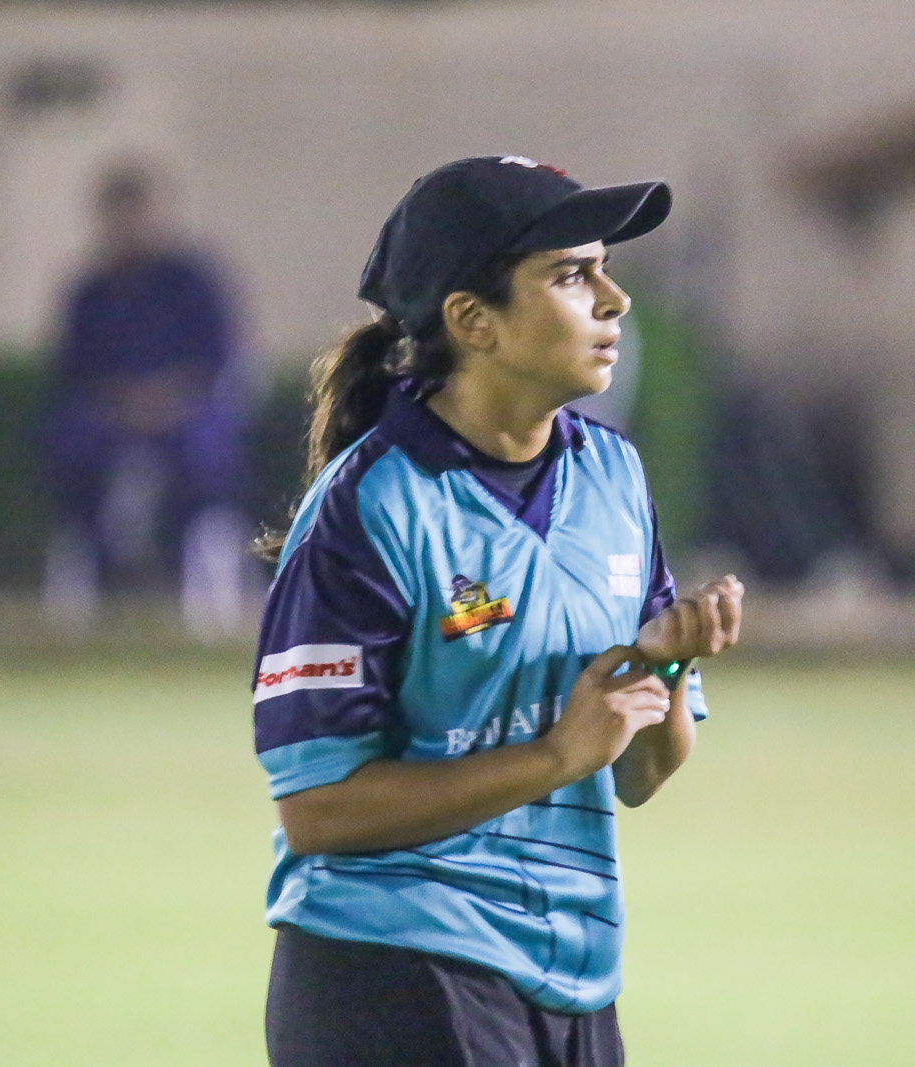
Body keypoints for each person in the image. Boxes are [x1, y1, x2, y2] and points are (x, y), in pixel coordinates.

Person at [250, 156, 745, 1067]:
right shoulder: (373, 504)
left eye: (605, 269)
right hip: (395, 969)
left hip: (572, 974)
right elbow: (318, 807)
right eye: (572, 274)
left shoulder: (612, 475)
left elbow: (638, 774)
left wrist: (667, 666)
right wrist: (555, 754)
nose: (615, 300)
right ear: (472, 320)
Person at [41, 161, 250, 636]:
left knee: (207, 450)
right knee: (71, 440)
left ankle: (211, 581)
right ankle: (80, 575)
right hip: (109, 417)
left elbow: (216, 359)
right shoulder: (90, 291)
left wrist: (165, 400)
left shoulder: (194, 283)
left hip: (186, 412)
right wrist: (125, 404)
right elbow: (74, 371)